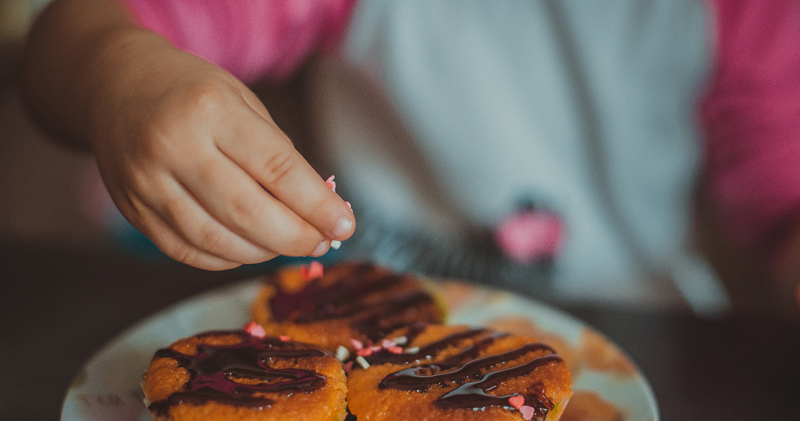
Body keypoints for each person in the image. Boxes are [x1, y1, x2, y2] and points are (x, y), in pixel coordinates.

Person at [21, 0, 800, 313]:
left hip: (643, 334)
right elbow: (67, 36)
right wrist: (115, 74)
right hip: (362, 313)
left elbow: (780, 192)